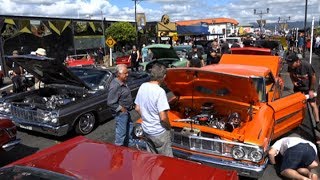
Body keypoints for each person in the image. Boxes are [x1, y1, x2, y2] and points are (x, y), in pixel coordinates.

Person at [134, 64, 173, 157]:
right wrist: (169, 127)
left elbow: (137, 108)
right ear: (163, 77)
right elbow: (163, 118)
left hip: (147, 130)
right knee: (167, 161)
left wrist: (147, 118)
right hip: (159, 132)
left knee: (152, 158)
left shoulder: (143, 86)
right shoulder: (160, 92)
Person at [287, 53, 320, 130]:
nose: (290, 65)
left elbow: (313, 77)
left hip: (308, 88)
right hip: (298, 88)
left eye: (292, 63)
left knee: (312, 104)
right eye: (289, 63)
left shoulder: (306, 65)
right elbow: (291, 74)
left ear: (297, 61)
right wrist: (293, 82)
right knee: (298, 105)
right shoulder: (291, 67)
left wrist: (311, 90)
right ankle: (296, 122)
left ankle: (317, 123)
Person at [107, 64, 134, 147]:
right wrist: (121, 109)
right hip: (121, 113)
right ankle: (118, 152)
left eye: (127, 73)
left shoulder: (122, 82)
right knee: (121, 134)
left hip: (126, 111)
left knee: (129, 128)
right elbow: (110, 102)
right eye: (125, 73)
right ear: (119, 74)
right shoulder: (115, 85)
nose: (127, 75)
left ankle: (129, 146)